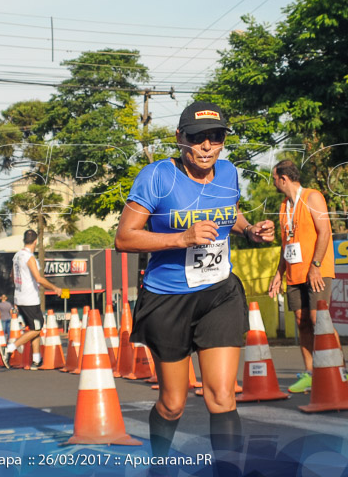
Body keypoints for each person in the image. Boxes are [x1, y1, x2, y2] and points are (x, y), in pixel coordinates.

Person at [114, 101, 274, 473]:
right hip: (168, 299)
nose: (206, 146)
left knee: (221, 396)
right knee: (173, 402)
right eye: (198, 138)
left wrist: (249, 230)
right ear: (180, 139)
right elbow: (124, 238)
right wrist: (181, 238)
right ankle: (160, 465)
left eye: (215, 137)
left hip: (218, 292)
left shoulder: (229, 173)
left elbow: (228, 213)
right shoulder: (157, 176)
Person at [266, 160, 348, 393]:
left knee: (319, 320)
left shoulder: (312, 197)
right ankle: (312, 373)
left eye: (274, 178)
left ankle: (342, 370)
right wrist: (278, 273)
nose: (273, 182)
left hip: (316, 271)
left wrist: (315, 265)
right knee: (302, 323)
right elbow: (287, 242)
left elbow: (325, 231)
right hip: (295, 273)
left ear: (283, 178)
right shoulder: (284, 206)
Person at [2, 229, 65, 369]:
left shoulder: (17, 256)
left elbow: (12, 276)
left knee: (34, 327)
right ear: (35, 241)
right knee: (37, 328)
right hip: (30, 298)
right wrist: (55, 288)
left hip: (19, 297)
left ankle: (36, 360)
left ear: (24, 240)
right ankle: (9, 349)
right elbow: (38, 278)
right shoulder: (29, 258)